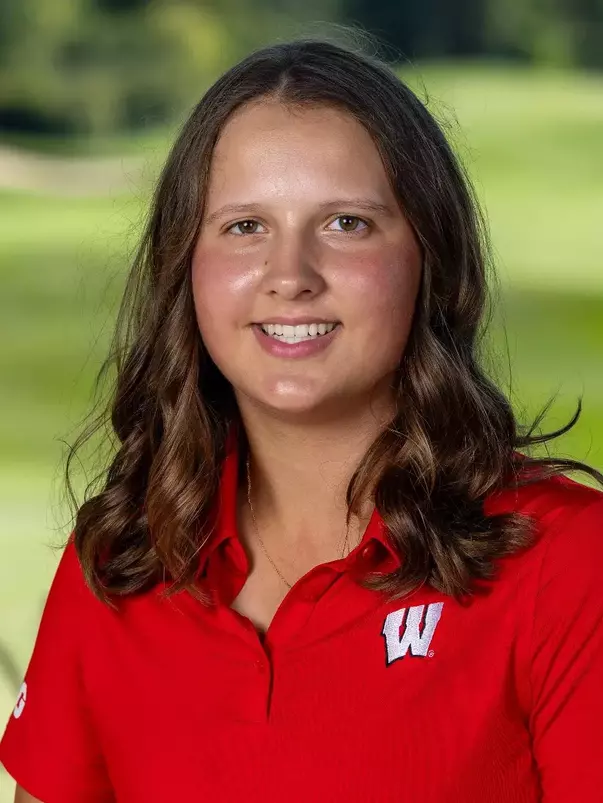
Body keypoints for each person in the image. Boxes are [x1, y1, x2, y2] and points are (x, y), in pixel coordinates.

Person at [1, 37, 602, 803]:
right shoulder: (117, 566)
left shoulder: (568, 561)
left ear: (430, 257)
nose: (290, 276)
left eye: (346, 223)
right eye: (244, 226)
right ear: (186, 265)